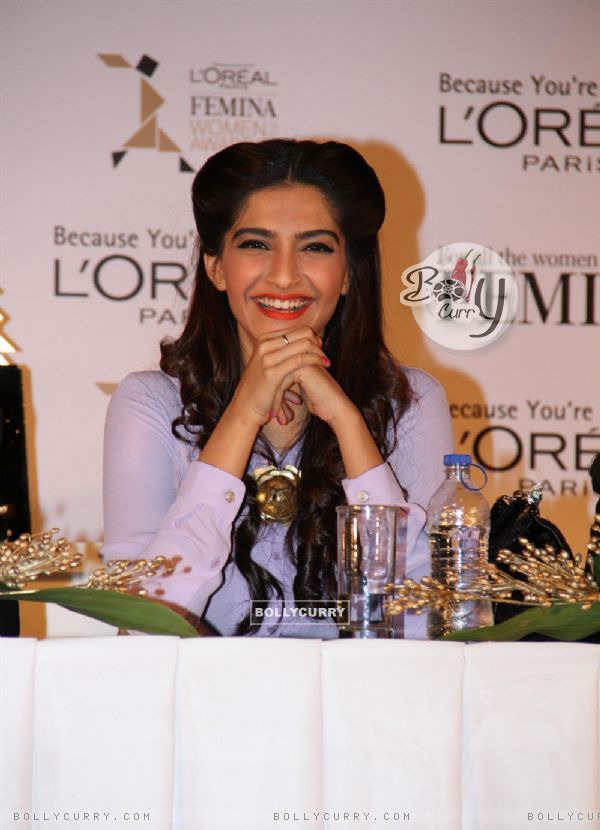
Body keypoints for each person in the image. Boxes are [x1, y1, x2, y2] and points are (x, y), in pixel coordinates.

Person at [102, 139, 453, 638]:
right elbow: (140, 625)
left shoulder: (411, 401)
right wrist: (243, 413)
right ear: (216, 266)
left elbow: (423, 624)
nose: (285, 276)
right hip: (206, 708)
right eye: (256, 244)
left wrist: (350, 425)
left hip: (358, 708)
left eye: (314, 247)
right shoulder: (151, 403)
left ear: (349, 272)